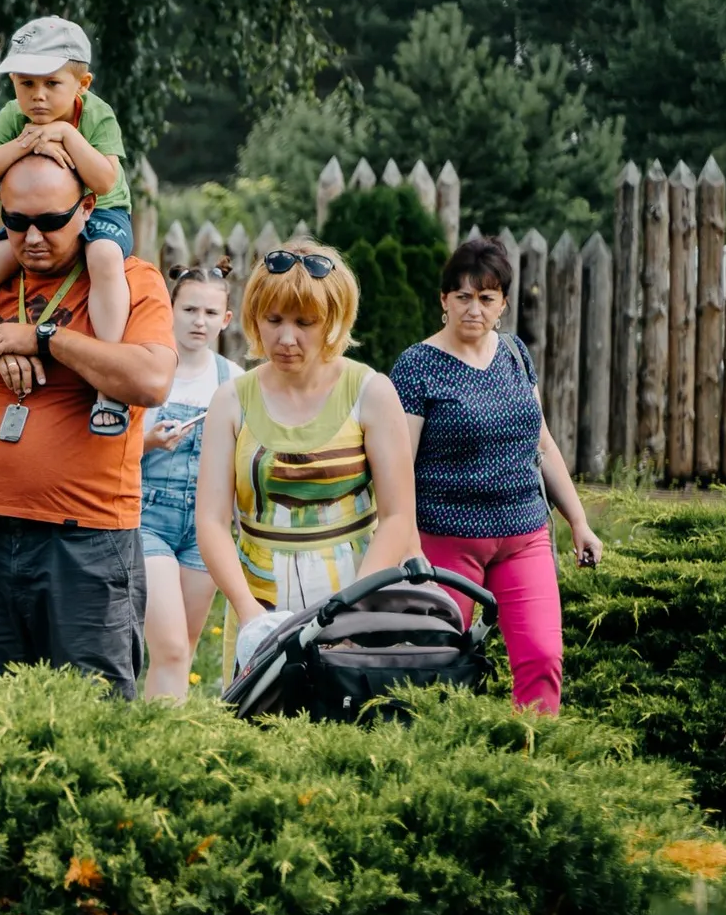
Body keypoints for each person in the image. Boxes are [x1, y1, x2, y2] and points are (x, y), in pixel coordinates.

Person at [0, 155, 176, 697]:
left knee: (90, 718)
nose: (31, 237)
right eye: (15, 221)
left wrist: (44, 338)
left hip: (88, 539)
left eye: (50, 222)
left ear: (87, 208)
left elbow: (150, 379)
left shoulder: (127, 279)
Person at [389, 237, 603, 713]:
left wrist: (579, 521)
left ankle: (531, 760)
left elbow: (542, 444)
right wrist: (406, 545)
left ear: (503, 303)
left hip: (523, 535)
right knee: (438, 667)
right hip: (445, 541)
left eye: (486, 298)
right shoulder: (417, 366)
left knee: (543, 657)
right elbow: (398, 466)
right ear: (443, 300)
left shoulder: (514, 354)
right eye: (462, 297)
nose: (473, 309)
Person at [194, 241, 420, 672]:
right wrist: (250, 614)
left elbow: (396, 517)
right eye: (273, 319)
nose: (286, 338)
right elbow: (210, 520)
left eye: (305, 322)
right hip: (259, 595)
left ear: (334, 320)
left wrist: (352, 614)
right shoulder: (230, 400)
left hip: (358, 587)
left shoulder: (370, 392)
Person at [0, 16, 140, 446]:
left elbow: (105, 181)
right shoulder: (12, 116)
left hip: (101, 212)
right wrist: (26, 141)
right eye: (25, 84)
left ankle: (108, 387)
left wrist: (64, 136)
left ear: (82, 83)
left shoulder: (96, 115)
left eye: (51, 84)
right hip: (33, 220)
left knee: (105, 258)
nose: (37, 96)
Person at [140, 261, 241, 698]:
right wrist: (149, 442)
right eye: (189, 310)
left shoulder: (233, 380)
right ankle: (159, 749)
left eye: (210, 313)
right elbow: (111, 449)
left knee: (188, 646)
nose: (199, 322)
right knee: (171, 648)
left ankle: (168, 742)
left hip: (206, 526)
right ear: (170, 309)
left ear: (226, 320)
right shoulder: (150, 370)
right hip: (147, 519)